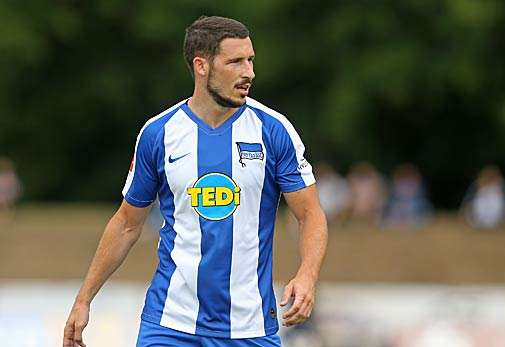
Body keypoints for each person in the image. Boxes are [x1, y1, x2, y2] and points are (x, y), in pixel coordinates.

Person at [63, 16, 328, 347]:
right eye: (235, 61)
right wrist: (84, 298)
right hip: (170, 323)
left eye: (250, 60)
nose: (249, 72)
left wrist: (307, 275)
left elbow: (310, 214)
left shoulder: (273, 131)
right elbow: (128, 224)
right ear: (201, 66)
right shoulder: (158, 134)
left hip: (249, 328)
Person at [382, 164, 432, 231]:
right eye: (403, 183)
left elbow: (425, 220)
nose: (406, 187)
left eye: (410, 183)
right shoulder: (392, 204)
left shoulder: (421, 204)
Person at [461, 166, 505, 230]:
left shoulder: (502, 186)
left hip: (495, 221)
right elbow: (467, 201)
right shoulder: (477, 185)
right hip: (479, 221)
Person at [0, 157, 21, 224]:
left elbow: (15, 186)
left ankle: (10, 217)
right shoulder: (4, 176)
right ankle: (8, 216)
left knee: (7, 204)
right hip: (4, 193)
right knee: (5, 205)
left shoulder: (11, 176)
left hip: (8, 193)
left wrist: (16, 192)